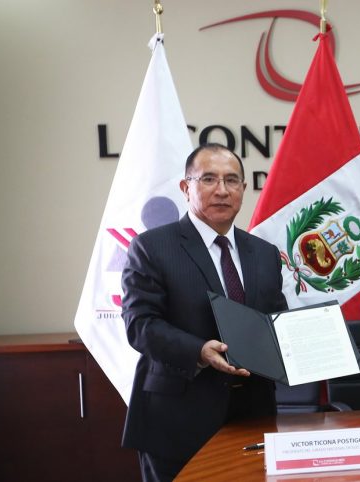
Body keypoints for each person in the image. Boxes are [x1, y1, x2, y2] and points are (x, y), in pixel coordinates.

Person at [120, 143, 288, 482]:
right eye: (209, 179)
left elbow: (276, 322)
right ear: (186, 188)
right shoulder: (152, 247)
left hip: (253, 416)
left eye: (232, 180)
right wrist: (198, 351)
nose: (222, 190)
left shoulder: (264, 253)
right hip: (177, 420)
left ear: (244, 188)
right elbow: (140, 325)